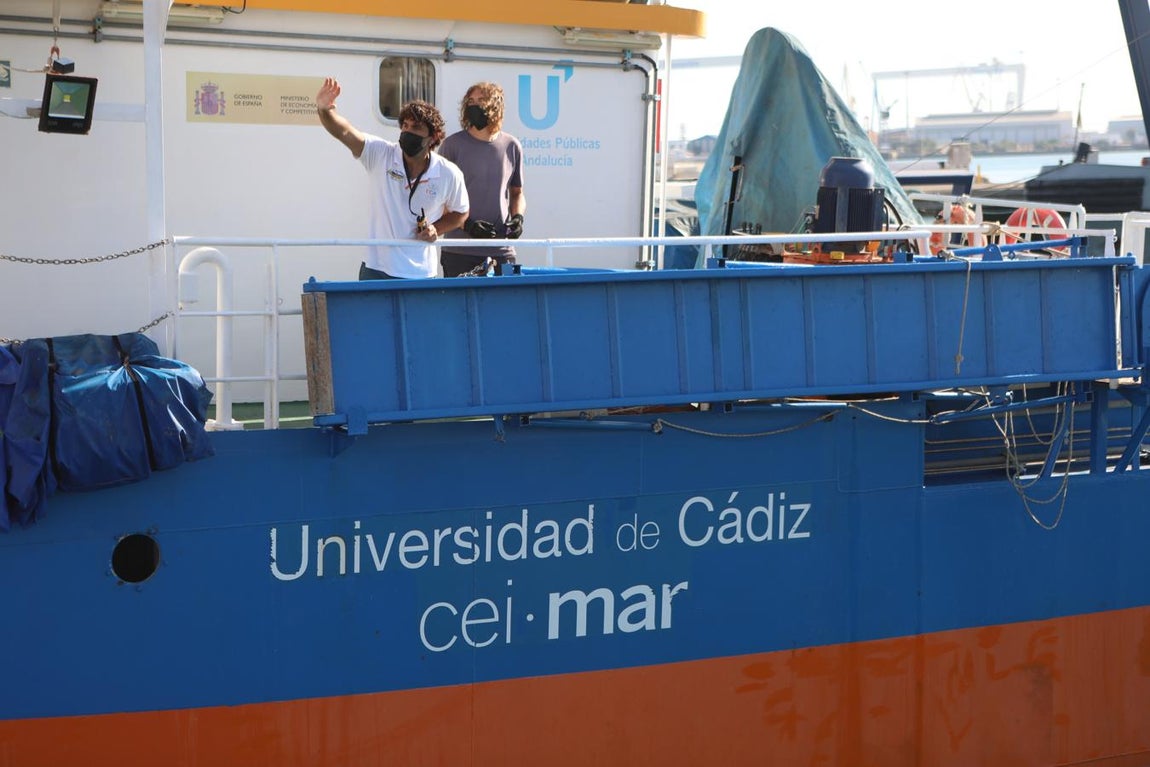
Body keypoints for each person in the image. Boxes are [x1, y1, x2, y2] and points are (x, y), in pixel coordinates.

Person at [315, 77, 468, 279]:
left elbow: (461, 213)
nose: (407, 131)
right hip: (376, 268)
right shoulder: (381, 154)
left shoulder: (449, 172)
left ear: (432, 137)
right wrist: (325, 110)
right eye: (404, 125)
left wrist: (436, 229)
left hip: (421, 273)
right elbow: (344, 132)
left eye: (415, 128)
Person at [438, 81, 526, 277]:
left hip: (500, 250)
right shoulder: (452, 146)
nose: (474, 105)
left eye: (481, 100)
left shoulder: (512, 146)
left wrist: (518, 218)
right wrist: (467, 225)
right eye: (471, 101)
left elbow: (517, 193)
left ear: (495, 106)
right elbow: (439, 198)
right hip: (459, 249)